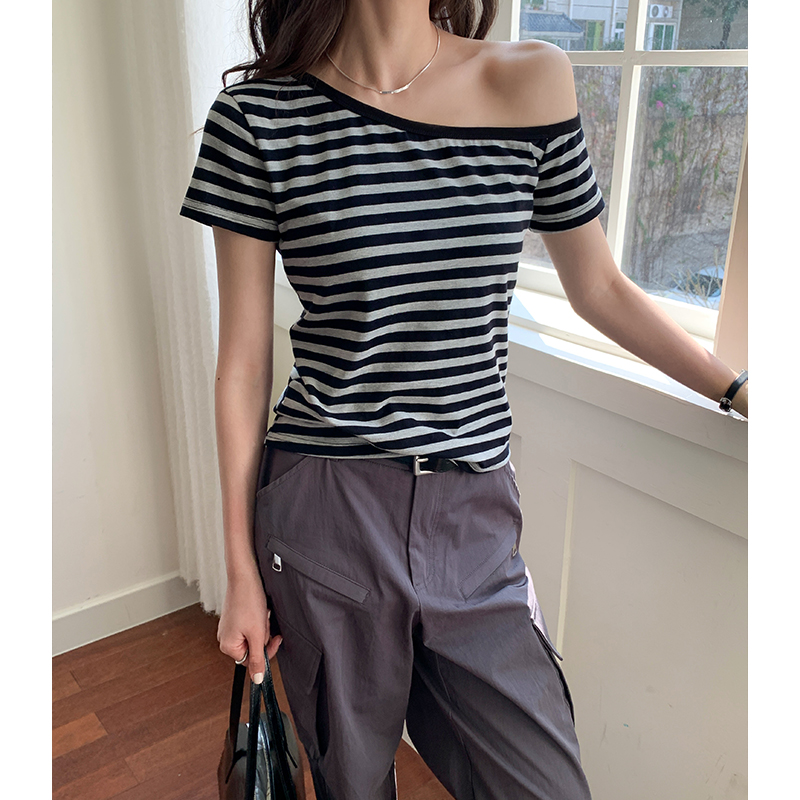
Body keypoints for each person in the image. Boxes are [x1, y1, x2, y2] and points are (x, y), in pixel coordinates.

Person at [179, 1, 749, 798]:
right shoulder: (257, 119)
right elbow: (242, 365)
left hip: (473, 515)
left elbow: (599, 288)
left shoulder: (530, 82)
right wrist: (239, 569)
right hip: (326, 512)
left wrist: (736, 388)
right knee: (352, 782)